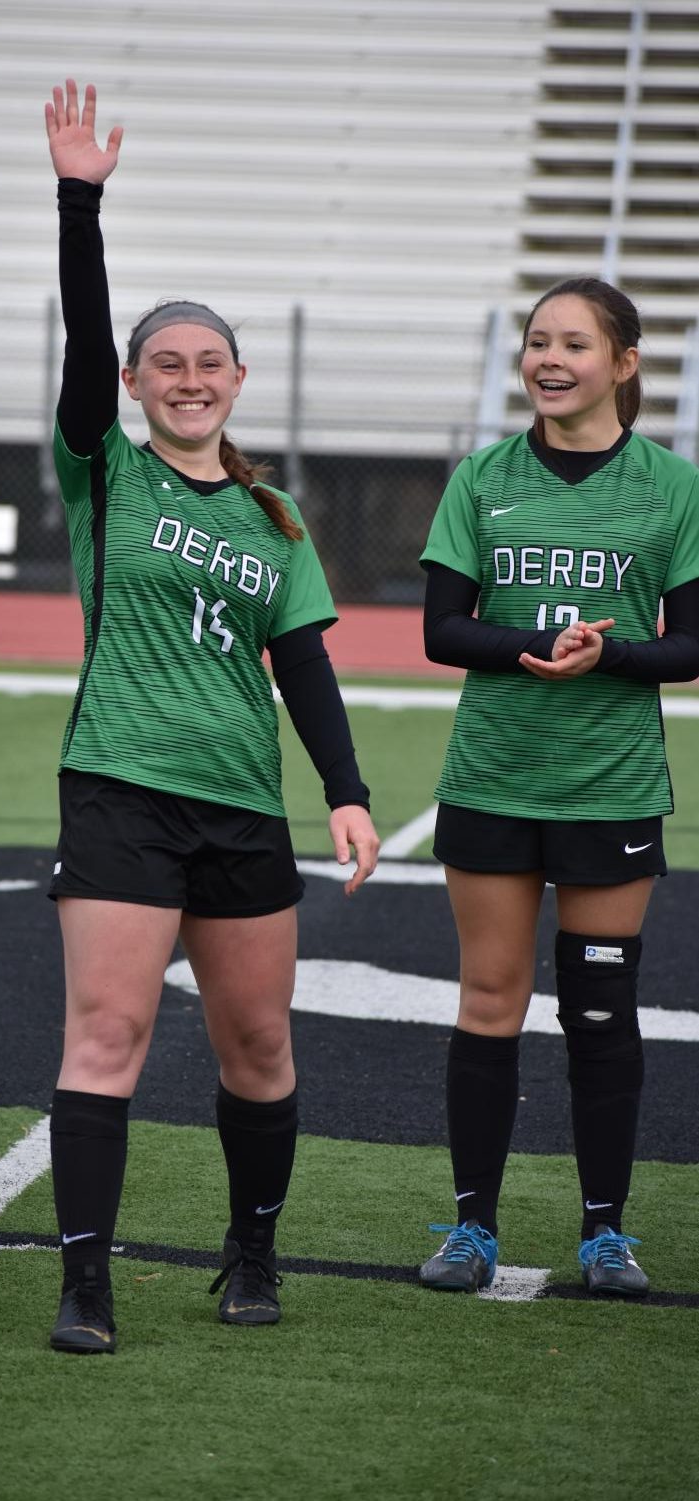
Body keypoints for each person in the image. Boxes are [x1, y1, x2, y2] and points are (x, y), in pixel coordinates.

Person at [42, 79, 379, 1354]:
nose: (188, 380)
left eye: (208, 363)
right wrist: (82, 202)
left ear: (236, 379)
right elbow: (81, 346)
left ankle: (252, 1251)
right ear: (136, 381)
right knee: (110, 1031)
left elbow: (302, 665)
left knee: (257, 1047)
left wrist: (344, 790)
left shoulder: (276, 516)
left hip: (243, 798)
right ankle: (85, 1282)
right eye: (164, 363)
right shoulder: (105, 470)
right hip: (120, 784)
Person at [419, 276, 699, 1296]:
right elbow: (440, 630)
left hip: (609, 785)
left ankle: (604, 1234)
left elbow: (691, 647)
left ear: (620, 363)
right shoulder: (480, 477)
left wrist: (609, 655)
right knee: (488, 1000)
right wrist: (539, 642)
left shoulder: (671, 486)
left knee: (598, 1011)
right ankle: (470, 1229)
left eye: (572, 344)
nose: (548, 359)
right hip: (492, 780)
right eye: (536, 341)